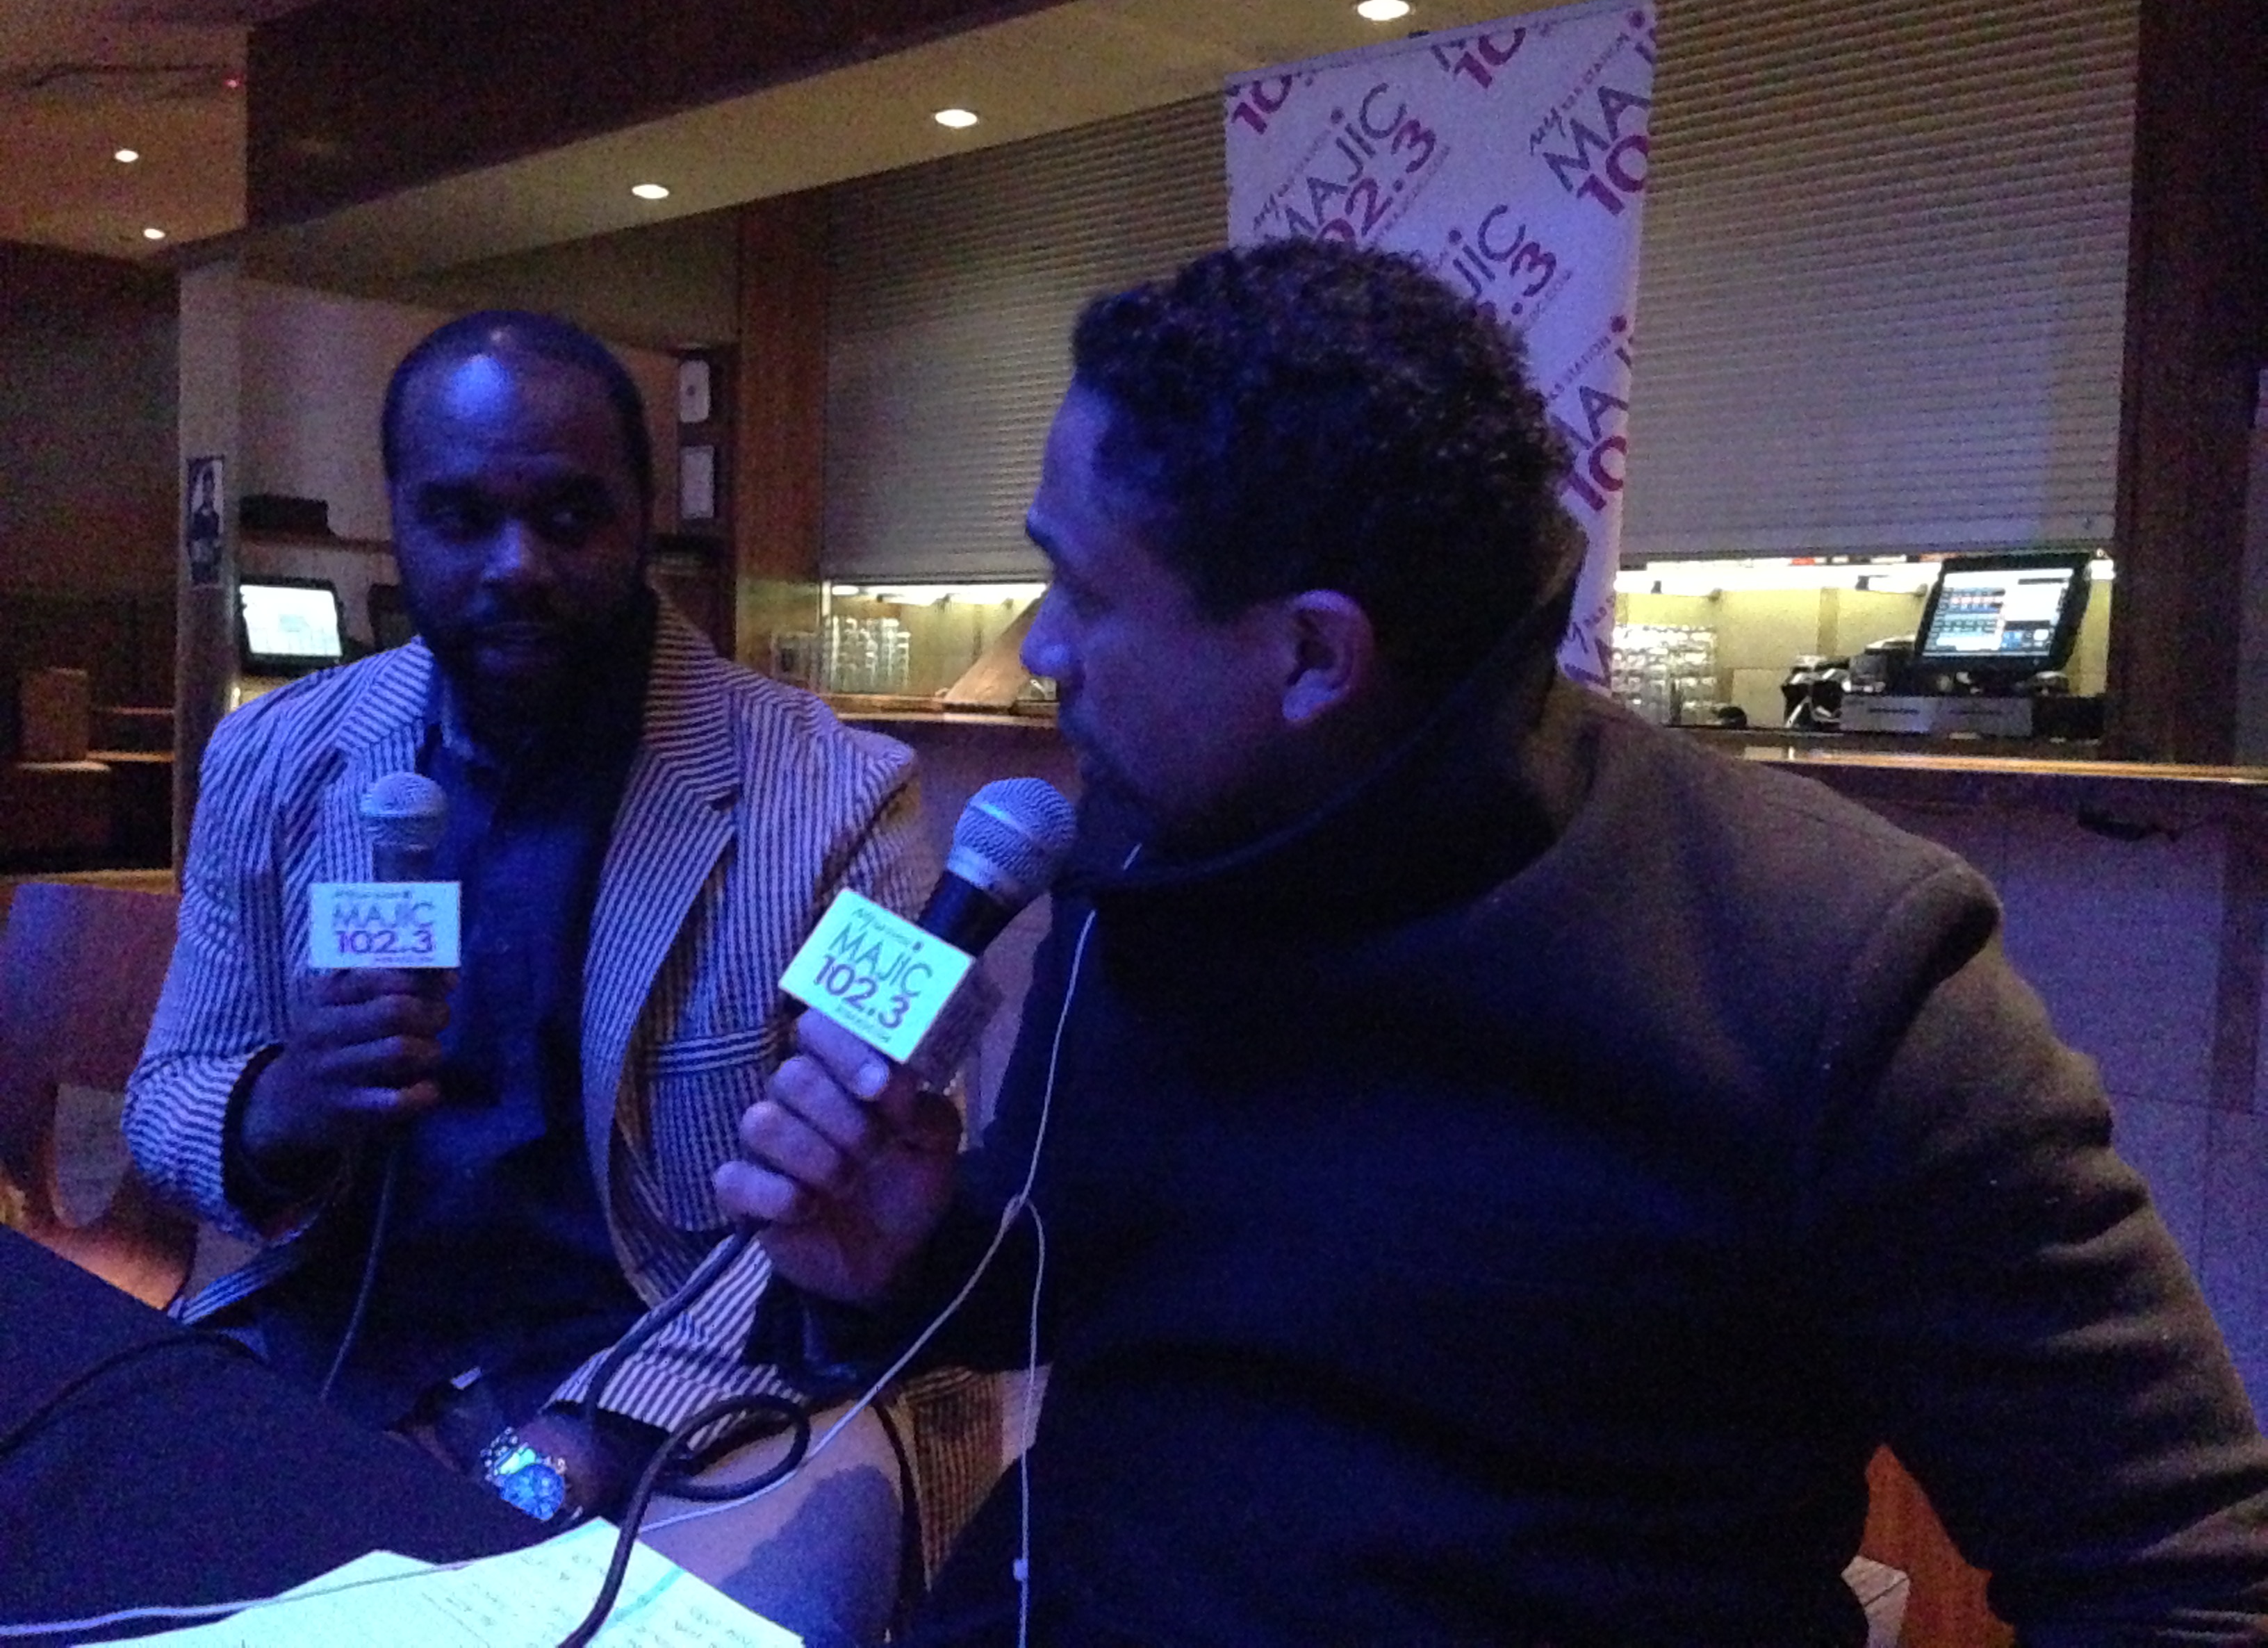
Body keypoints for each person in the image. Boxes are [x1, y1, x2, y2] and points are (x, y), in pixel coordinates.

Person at [718, 240, 2268, 1645]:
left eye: (1082, 590)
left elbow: (2185, 1580)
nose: (1040, 649)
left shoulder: (1839, 973)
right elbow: (1099, 1280)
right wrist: (904, 1259)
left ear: (1312, 653)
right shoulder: (1140, 845)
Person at [126, 311, 959, 1645]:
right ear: (400, 520)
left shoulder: (840, 797)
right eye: (462, 519)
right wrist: (286, 1103)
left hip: (666, 1374)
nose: (518, 566)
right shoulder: (276, 758)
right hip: (328, 1338)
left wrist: (593, 1439)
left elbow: (855, 1200)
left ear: (643, 518)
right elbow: (169, 1097)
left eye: (570, 516)